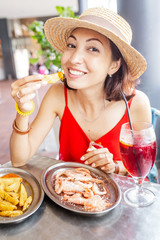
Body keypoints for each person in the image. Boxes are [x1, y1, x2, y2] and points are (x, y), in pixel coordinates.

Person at [10, 7, 151, 177]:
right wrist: (23, 111)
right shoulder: (57, 94)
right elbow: (19, 159)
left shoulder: (136, 103)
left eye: (93, 49)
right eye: (71, 45)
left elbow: (141, 164)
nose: (73, 58)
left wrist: (114, 166)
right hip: (66, 193)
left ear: (114, 65)